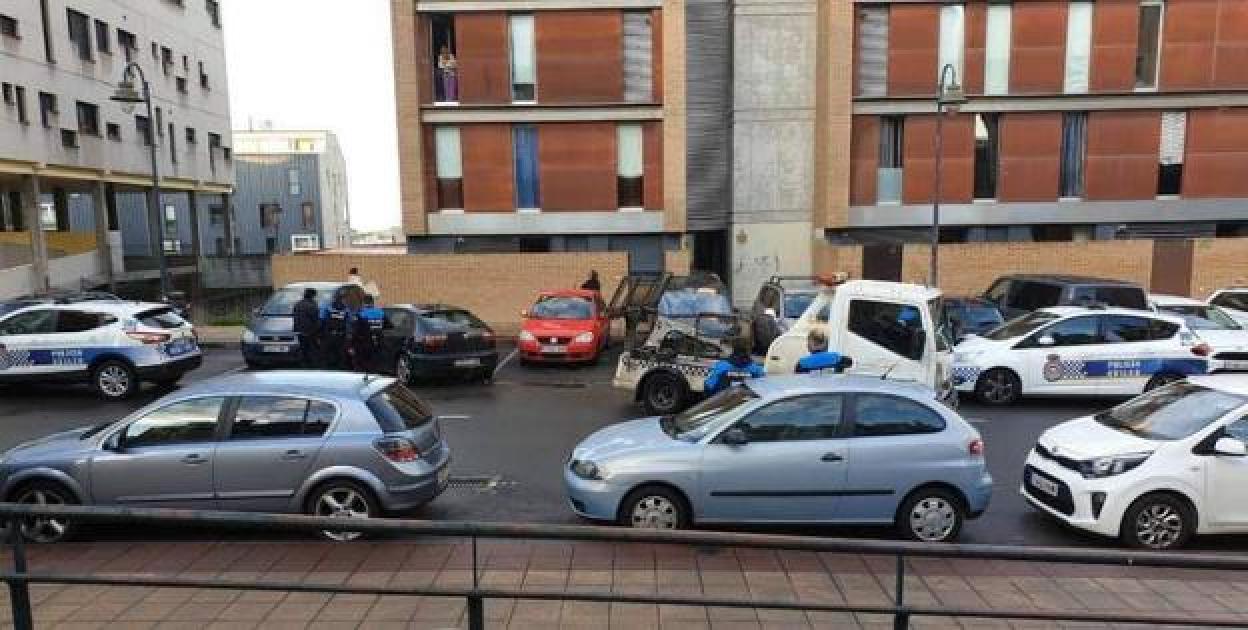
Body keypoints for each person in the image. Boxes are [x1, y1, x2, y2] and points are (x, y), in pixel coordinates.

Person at [352, 295, 386, 373]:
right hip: (378, 344)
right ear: (372, 302)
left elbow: (356, 331)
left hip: (364, 344)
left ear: (364, 303)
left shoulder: (361, 314)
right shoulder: (380, 313)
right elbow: (389, 326)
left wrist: (352, 345)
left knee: (361, 367)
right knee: (374, 367)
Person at [320, 292, 353, 370]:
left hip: (329, 335)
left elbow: (322, 320)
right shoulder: (346, 309)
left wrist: (321, 334)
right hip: (341, 336)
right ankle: (340, 369)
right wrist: (348, 335)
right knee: (341, 355)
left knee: (325, 354)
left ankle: (325, 370)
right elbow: (349, 322)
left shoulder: (328, 308)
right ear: (342, 299)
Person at [292, 288, 322, 368]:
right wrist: (319, 331)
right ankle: (313, 367)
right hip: (310, 331)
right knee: (312, 350)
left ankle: (303, 365)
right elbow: (316, 319)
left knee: (303, 349)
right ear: (313, 295)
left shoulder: (298, 304)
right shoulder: (312, 305)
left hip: (299, 331)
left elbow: (294, 317)